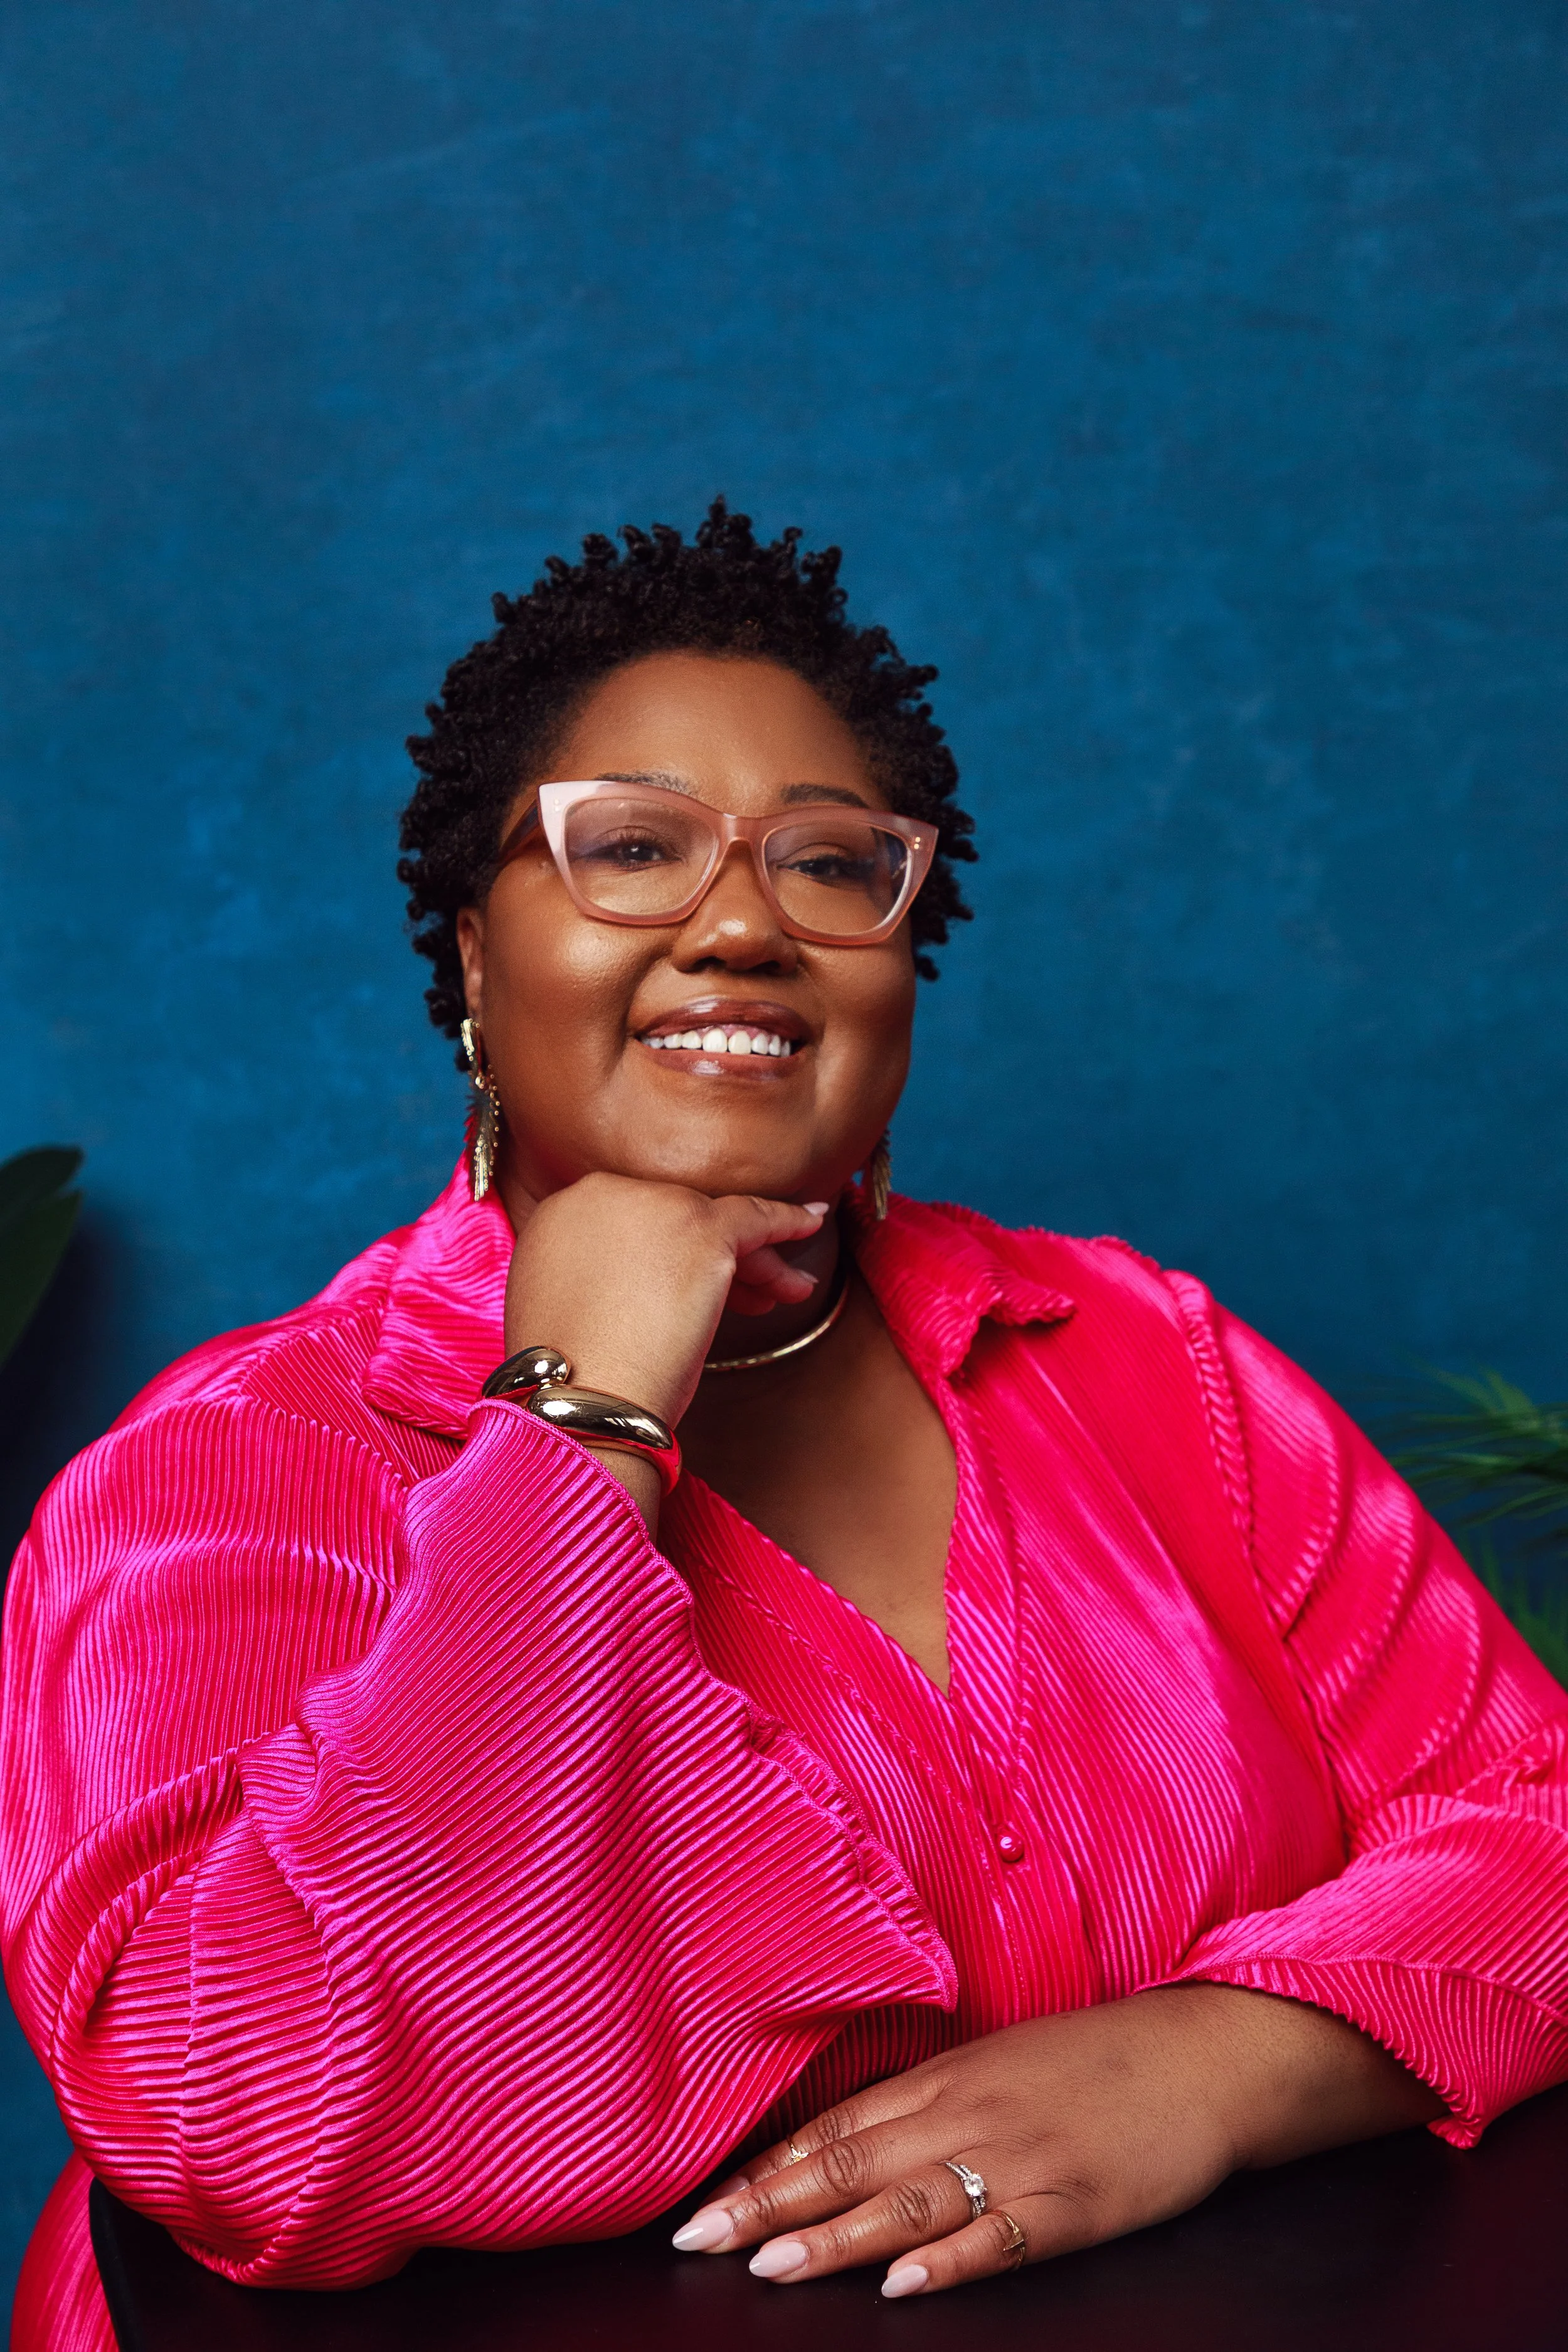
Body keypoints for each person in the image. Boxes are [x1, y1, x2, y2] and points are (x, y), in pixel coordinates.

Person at [4, 502, 1565, 2350]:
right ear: (477, 962)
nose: (743, 923)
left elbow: (1534, 1820)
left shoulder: (1142, 1355)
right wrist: (578, 1428)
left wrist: (1215, 2063)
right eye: (632, 848)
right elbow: (247, 2120)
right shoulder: (231, 1469)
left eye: (832, 865)